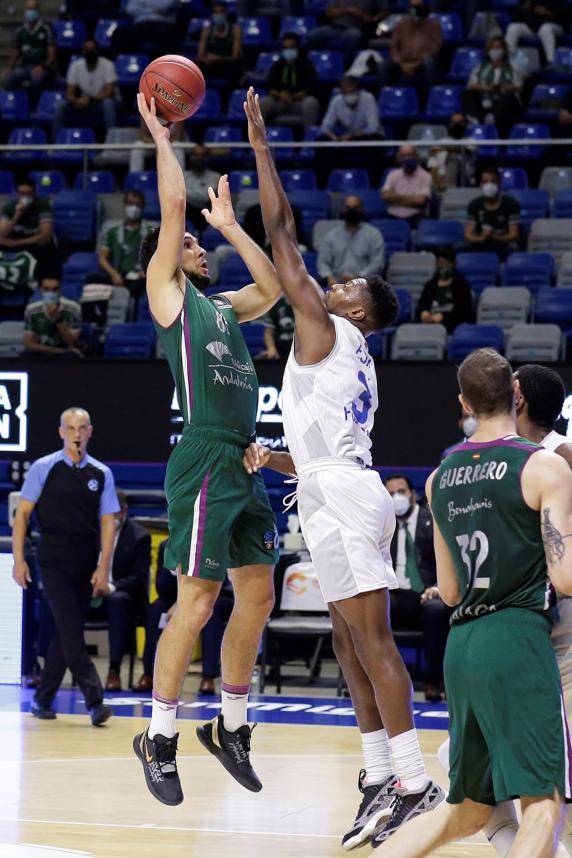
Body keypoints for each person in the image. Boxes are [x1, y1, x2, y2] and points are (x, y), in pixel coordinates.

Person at [244, 86, 444, 852]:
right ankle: (376, 776)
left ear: (358, 312)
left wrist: (262, 146)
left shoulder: (328, 328)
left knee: (375, 644)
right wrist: (277, 456)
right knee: (348, 640)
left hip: (347, 497)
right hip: (325, 485)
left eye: (349, 287)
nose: (335, 284)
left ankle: (415, 780)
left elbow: (285, 234)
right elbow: (323, 448)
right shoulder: (339, 345)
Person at [132, 92, 282, 806]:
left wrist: (232, 224)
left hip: (243, 459)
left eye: (200, 240)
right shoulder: (171, 299)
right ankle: (158, 737)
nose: (199, 245)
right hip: (202, 457)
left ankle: (232, 725)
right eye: (195, 242)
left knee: (258, 590)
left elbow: (277, 285)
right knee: (197, 600)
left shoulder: (224, 308)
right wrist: (163, 140)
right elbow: (169, 216)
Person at [373, 347, 572, 855]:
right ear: (516, 393)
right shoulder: (543, 465)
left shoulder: (439, 478)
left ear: (462, 401)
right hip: (518, 639)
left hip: (462, 644)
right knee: (545, 804)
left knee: (463, 813)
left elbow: (452, 591)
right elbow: (565, 578)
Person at [477, 363, 572, 858]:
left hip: (559, 629)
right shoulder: (506, 456)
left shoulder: (558, 456)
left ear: (517, 399)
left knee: (551, 781)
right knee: (473, 773)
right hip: (517, 629)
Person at [12, 407, 120, 726]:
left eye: (82, 428)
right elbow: (22, 515)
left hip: (85, 557)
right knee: (71, 627)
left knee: (65, 630)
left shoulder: (101, 473)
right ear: (61, 432)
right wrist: (19, 560)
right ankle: (94, 698)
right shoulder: (44, 468)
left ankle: (42, 699)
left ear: (90, 432)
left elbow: (108, 523)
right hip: (52, 555)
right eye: (70, 428)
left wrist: (103, 567)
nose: (76, 434)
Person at [384, 474, 452, 703]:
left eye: (401, 492)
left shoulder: (432, 520)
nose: (396, 498)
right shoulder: (382, 524)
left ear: (412, 494)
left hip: (425, 593)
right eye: (390, 494)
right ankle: (377, 681)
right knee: (372, 609)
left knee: (436, 610)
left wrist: (437, 586)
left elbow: (451, 559)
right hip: (394, 592)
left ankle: (432, 680)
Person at [99, 489, 151, 692]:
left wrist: (110, 586)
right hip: (93, 594)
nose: (110, 517)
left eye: (115, 512)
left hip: (125, 598)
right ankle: (46, 668)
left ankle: (114, 671)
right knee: (61, 600)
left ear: (124, 511)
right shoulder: (93, 531)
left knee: (117, 601)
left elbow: (139, 578)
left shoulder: (139, 537)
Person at [133, 540, 177, 693]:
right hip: (172, 597)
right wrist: (174, 564)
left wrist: (182, 603)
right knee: (156, 609)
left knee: (211, 611)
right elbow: (161, 587)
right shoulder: (167, 546)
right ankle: (149, 673)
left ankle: (208, 677)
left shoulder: (207, 542)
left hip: (204, 596)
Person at [53, 39, 117, 139]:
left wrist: (90, 99)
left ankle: (111, 141)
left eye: (92, 49)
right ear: (83, 51)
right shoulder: (75, 66)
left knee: (108, 104)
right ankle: (55, 142)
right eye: (87, 49)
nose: (90, 52)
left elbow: (109, 92)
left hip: (99, 102)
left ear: (98, 51)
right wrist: (75, 100)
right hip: (82, 102)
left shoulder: (107, 65)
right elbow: (69, 92)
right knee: (62, 105)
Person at [317, 195, 385, 287]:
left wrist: (358, 278)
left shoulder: (374, 234)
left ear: (362, 210)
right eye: (348, 208)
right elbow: (323, 262)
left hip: (364, 285)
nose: (351, 211)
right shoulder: (331, 236)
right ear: (342, 210)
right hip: (336, 284)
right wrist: (329, 277)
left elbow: (377, 263)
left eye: (355, 208)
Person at [461, 35, 523, 138]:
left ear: (504, 50)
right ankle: (475, 121)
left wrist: (503, 87)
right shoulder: (481, 67)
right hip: (485, 98)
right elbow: (471, 85)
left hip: (504, 103)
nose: (495, 51)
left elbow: (519, 86)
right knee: (467, 94)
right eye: (492, 48)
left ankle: (493, 120)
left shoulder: (513, 67)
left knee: (508, 97)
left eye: (498, 48)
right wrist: (486, 87)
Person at [98, 190, 153, 303]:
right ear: (124, 204)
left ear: (143, 207)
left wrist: (146, 271)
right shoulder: (112, 231)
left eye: (137, 205)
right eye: (130, 204)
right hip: (118, 274)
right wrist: (113, 274)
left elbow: (159, 257)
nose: (133, 208)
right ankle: (96, 317)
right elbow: (102, 259)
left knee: (139, 285)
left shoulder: (150, 231)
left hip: (140, 276)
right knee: (92, 279)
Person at [0, 179, 61, 280]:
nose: (25, 197)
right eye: (22, 194)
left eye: (29, 194)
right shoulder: (9, 207)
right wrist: (17, 216)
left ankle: (45, 283)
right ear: (17, 193)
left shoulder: (43, 205)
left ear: (34, 193)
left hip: (35, 245)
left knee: (45, 248)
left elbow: (45, 236)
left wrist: (16, 243)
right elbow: (2, 234)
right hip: (18, 244)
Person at [379, 0, 442, 95]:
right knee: (383, 65)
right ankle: (386, 97)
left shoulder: (434, 25)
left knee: (429, 63)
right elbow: (394, 47)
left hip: (421, 63)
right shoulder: (401, 25)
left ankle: (432, 98)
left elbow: (434, 49)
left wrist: (416, 64)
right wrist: (401, 64)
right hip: (402, 63)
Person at [259, 34, 320, 129]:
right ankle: (258, 139)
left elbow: (310, 89)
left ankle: (308, 139)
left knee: (311, 102)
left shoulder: (307, 65)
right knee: (263, 103)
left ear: (298, 48)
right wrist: (280, 95)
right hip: (280, 102)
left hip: (298, 103)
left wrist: (292, 96)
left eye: (292, 47)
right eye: (286, 48)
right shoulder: (277, 65)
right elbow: (270, 88)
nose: (288, 50)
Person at [306, 0, 387, 68]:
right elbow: (329, 13)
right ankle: (311, 65)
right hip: (334, 27)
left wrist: (373, 18)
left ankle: (344, 68)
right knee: (312, 35)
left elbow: (385, 11)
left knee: (353, 36)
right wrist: (347, 10)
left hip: (356, 28)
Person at [464, 166, 520, 260]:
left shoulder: (511, 204)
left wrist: (495, 237)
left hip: (503, 243)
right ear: (480, 184)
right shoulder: (474, 204)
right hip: (481, 243)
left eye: (493, 181)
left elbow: (513, 234)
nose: (489, 185)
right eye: (485, 182)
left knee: (514, 248)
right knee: (460, 248)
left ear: (499, 183)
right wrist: (481, 238)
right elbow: (468, 235)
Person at [3, 0, 57, 97]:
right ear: (24, 11)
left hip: (41, 68)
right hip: (24, 68)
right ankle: (17, 106)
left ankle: (34, 109)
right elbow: (14, 54)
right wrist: (9, 68)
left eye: (33, 9)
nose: (30, 12)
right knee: (7, 79)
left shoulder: (46, 29)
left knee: (36, 79)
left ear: (38, 11)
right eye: (28, 9)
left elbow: (51, 57)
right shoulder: (19, 31)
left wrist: (42, 67)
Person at [416, 246, 473, 333]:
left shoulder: (462, 285)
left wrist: (443, 316)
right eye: (440, 263)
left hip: (452, 327)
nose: (443, 267)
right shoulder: (430, 285)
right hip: (428, 326)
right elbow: (422, 306)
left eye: (446, 263)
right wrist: (423, 313)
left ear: (453, 264)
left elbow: (465, 312)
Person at [23, 277, 83, 357]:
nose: (51, 293)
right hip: (44, 351)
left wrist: (58, 318)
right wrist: (61, 351)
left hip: (65, 354)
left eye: (55, 289)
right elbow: (29, 345)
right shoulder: (31, 309)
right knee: (26, 354)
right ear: (41, 291)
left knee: (72, 354)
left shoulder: (73, 308)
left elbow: (72, 343)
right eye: (46, 289)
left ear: (60, 291)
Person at [319, 75, 382, 142]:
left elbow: (373, 128)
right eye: (345, 92)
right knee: (321, 140)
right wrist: (332, 137)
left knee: (373, 139)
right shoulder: (336, 101)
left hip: (364, 137)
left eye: (351, 91)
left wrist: (352, 136)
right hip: (347, 138)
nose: (348, 95)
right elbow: (325, 127)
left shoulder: (368, 98)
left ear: (358, 90)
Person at [382, 144, 433, 226]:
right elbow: (386, 197)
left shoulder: (426, 176)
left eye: (410, 155)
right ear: (399, 158)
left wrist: (394, 199)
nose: (407, 159)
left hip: (415, 218)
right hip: (392, 217)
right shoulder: (392, 174)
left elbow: (420, 201)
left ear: (416, 156)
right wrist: (412, 199)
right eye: (403, 156)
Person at [506, 0, 568, 65]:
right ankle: (507, 62)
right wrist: (525, 7)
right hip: (533, 27)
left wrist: (546, 12)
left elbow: (564, 13)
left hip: (555, 25)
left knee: (545, 29)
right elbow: (515, 17)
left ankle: (552, 62)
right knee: (513, 27)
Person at [111, 0, 179, 57]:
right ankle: (127, 62)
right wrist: (154, 7)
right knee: (119, 33)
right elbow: (130, 9)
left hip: (162, 24)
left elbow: (164, 7)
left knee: (164, 34)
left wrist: (143, 5)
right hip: (140, 24)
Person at [426, 113, 475, 193]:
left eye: (459, 123)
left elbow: (466, 151)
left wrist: (445, 148)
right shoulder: (440, 142)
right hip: (442, 184)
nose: (456, 126)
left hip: (466, 184)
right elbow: (433, 166)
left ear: (465, 124)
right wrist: (438, 185)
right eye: (454, 123)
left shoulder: (471, 141)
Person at [197, 2, 243, 81]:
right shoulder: (207, 30)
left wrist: (218, 58)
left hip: (227, 64)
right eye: (216, 13)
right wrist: (208, 59)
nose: (218, 16)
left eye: (221, 12)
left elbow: (235, 57)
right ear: (212, 15)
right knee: (200, 66)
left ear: (225, 13)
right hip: (212, 65)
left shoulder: (235, 29)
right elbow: (200, 56)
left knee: (235, 67)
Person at [184, 145, 221, 232]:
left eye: (203, 155)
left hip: (206, 212)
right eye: (196, 155)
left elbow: (205, 198)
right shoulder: (183, 176)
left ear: (208, 158)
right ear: (191, 157)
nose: (199, 158)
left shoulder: (216, 177)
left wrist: (186, 193)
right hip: (187, 212)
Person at [261, 295, 294, 359]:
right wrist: (271, 349)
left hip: (302, 349)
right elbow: (268, 332)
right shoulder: (277, 305)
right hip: (281, 350)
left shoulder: (309, 304)